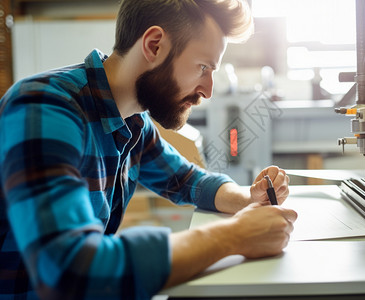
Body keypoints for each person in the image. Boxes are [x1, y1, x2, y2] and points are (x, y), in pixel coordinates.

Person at [0, 0, 297, 299]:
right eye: (203, 67)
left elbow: (184, 179)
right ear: (154, 45)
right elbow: (70, 271)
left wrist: (246, 198)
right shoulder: (43, 107)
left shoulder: (133, 119)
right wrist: (234, 236)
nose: (207, 90)